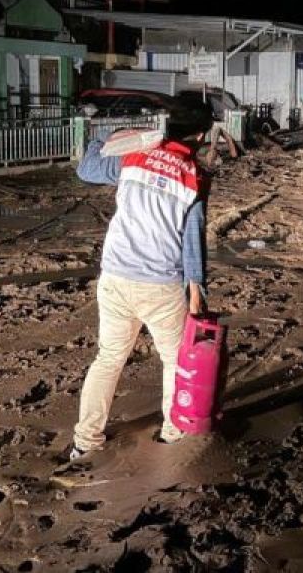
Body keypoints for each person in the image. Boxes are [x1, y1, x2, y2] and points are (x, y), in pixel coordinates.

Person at [68, 103, 214, 460]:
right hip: (161, 286)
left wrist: (104, 136)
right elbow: (192, 241)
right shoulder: (195, 175)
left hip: (115, 278)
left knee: (108, 359)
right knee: (173, 362)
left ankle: (85, 442)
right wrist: (196, 291)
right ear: (200, 136)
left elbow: (86, 169)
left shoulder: (134, 156)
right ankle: (171, 433)